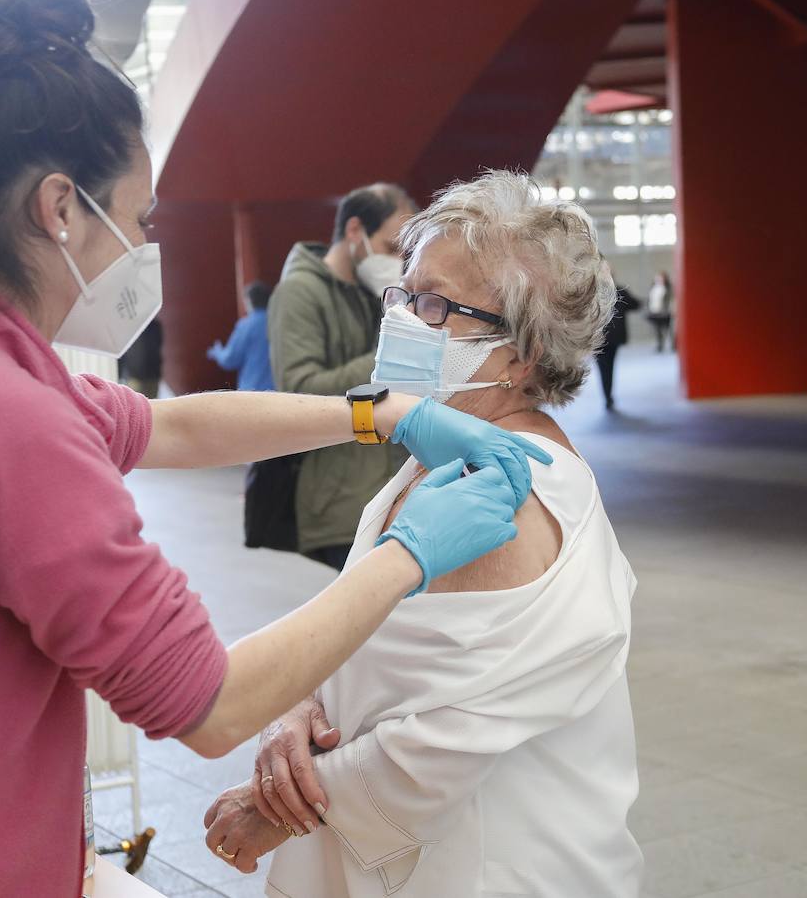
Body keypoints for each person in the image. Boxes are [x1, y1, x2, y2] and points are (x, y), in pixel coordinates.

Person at [0, 0, 552, 895]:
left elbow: (166, 423)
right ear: (60, 209)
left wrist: (378, 414)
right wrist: (407, 556)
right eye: (142, 218)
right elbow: (207, 704)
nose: (147, 244)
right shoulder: (2, 419)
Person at [201, 172, 645, 897]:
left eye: (436, 305)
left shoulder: (509, 490)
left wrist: (277, 809)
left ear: (521, 354)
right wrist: (297, 704)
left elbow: (446, 740)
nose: (404, 320)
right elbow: (364, 634)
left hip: (484, 865)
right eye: (402, 295)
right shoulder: (438, 449)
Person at [268, 183, 415, 569]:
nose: (398, 261)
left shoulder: (374, 292)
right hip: (341, 499)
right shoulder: (299, 291)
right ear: (355, 232)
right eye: (389, 247)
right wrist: (390, 354)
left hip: (385, 488)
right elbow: (300, 390)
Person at [209, 280, 276, 391]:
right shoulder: (279, 323)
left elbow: (230, 359)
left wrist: (217, 352)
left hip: (251, 391)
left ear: (249, 301)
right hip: (278, 392)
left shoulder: (246, 325)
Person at [595, 267, 642, 410]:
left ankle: (607, 395)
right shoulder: (620, 291)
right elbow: (636, 305)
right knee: (610, 366)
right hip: (614, 337)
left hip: (597, 338)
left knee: (603, 368)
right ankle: (609, 395)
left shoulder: (592, 294)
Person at [646, 269, 674, 352]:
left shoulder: (668, 289)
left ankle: (673, 345)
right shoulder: (653, 288)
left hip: (665, 312)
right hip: (655, 312)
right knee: (657, 330)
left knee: (668, 329)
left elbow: (669, 300)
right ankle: (660, 345)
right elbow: (650, 300)